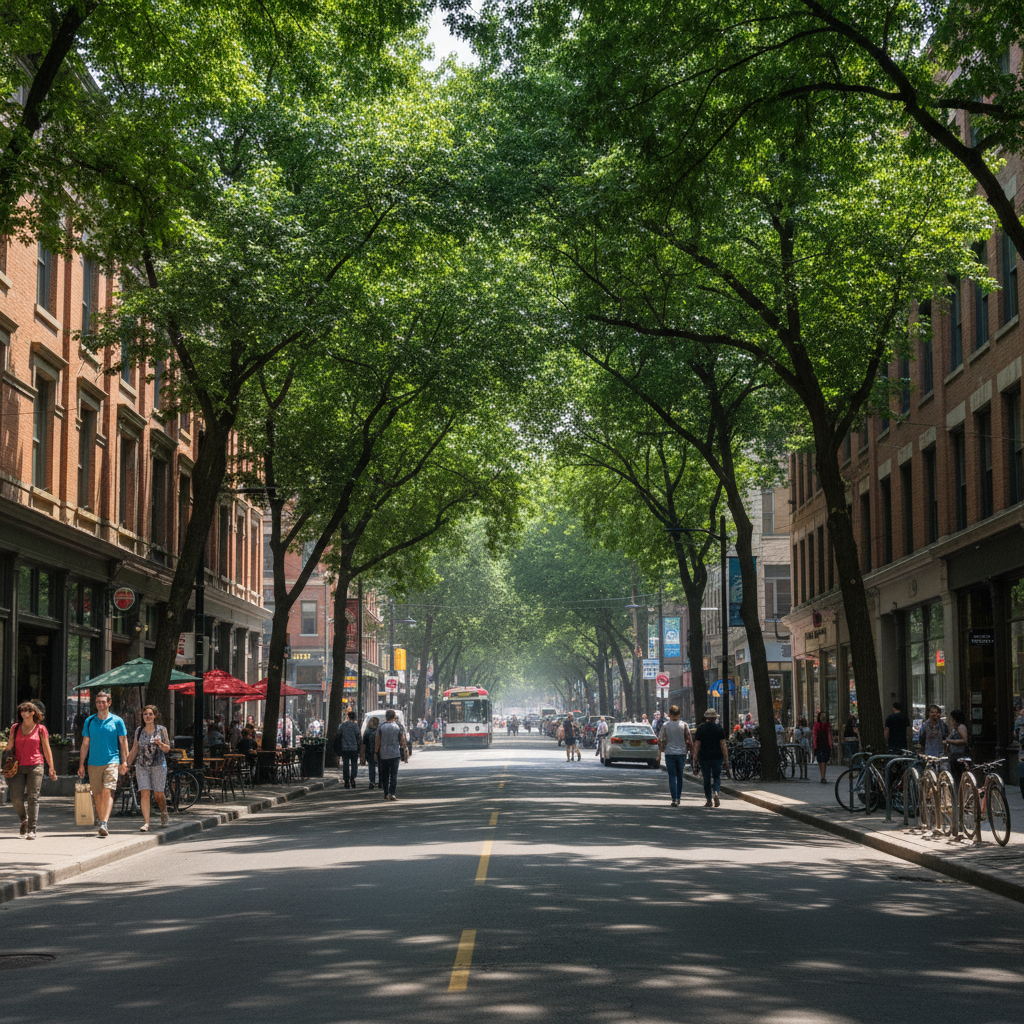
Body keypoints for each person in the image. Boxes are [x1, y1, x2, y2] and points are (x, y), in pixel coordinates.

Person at [77, 690, 128, 838]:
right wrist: (81, 764)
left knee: (108, 790)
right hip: (93, 763)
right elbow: (85, 744)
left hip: (112, 761)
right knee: (97, 795)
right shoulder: (89, 721)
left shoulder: (117, 721)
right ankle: (101, 821)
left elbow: (123, 742)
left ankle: (104, 822)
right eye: (98, 702)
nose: (100, 704)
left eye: (103, 702)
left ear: (109, 703)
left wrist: (124, 761)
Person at [2, 702, 57, 839]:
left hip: (36, 765)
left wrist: (51, 767)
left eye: (26, 710)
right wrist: (5, 751)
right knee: (15, 797)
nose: (23, 713)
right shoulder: (15, 728)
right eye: (21, 711)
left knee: (33, 797)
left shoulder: (40, 729)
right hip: (18, 766)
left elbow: (46, 749)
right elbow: (9, 745)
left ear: (33, 712)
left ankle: (32, 829)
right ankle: (24, 819)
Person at [125, 705, 170, 831]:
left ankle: (164, 810)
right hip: (142, 765)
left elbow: (167, 749)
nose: (148, 716)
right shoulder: (139, 730)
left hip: (158, 765)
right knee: (144, 792)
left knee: (158, 794)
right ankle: (146, 823)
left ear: (155, 716)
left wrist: (160, 743)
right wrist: (127, 764)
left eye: (150, 714)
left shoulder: (161, 730)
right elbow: (134, 749)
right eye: (145, 714)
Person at [692, 708, 728, 807]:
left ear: (706, 718)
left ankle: (708, 800)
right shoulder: (719, 728)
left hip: (704, 757)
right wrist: (726, 759)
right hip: (717, 756)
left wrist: (694, 759)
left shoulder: (701, 728)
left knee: (706, 779)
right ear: (715, 717)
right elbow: (723, 745)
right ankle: (716, 792)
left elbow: (697, 744)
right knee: (716, 777)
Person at [659, 705, 692, 807]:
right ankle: (678, 797)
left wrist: (660, 753)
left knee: (672, 776)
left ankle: (674, 799)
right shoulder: (684, 725)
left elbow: (661, 740)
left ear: (669, 714)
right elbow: (689, 739)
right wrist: (690, 751)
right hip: (681, 754)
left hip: (669, 753)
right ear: (679, 714)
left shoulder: (665, 725)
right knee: (680, 776)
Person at [375, 709, 408, 801]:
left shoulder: (381, 727)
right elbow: (402, 740)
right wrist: (405, 749)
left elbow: (377, 740)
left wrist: (375, 752)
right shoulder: (398, 727)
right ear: (394, 717)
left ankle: (386, 793)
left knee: (385, 774)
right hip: (395, 754)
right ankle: (392, 793)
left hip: (383, 754)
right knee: (394, 774)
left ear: (386, 717)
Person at [335, 710, 362, 789]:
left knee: (345, 764)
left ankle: (346, 780)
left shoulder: (342, 725)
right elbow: (358, 735)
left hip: (344, 747)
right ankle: (352, 778)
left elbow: (338, 734)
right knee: (354, 764)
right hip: (354, 748)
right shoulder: (355, 725)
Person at [943, 709, 969, 783]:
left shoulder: (961, 727)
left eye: (951, 718)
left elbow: (964, 740)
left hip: (959, 755)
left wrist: (949, 741)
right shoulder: (955, 728)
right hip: (953, 755)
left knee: (959, 777)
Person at [812, 711, 833, 783]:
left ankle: (823, 776)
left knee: (823, 761)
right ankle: (822, 776)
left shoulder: (825, 725)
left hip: (823, 745)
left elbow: (815, 736)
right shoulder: (822, 725)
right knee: (821, 761)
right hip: (821, 745)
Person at [361, 716, 380, 789]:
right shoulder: (379, 731)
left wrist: (362, 755)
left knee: (371, 767)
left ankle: (372, 781)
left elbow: (364, 744)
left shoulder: (367, 732)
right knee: (380, 767)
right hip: (378, 752)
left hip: (369, 752)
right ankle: (381, 781)